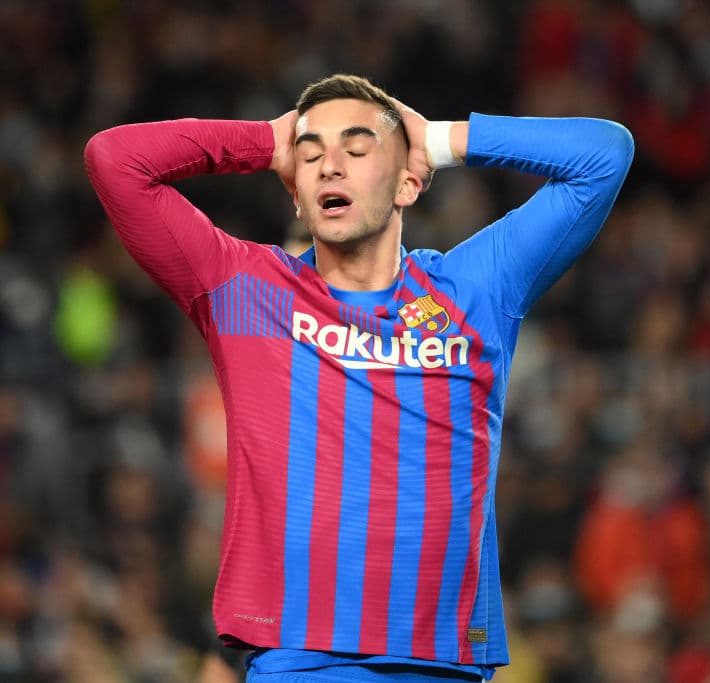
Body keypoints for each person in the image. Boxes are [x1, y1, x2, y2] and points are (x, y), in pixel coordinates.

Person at [84, 74, 633, 682]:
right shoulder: (247, 292)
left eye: (357, 146)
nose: (329, 165)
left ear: (408, 181)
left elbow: (603, 157)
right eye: (312, 151)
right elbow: (115, 160)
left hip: (445, 663)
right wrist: (266, 142)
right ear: (296, 190)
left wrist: (442, 139)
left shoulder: (474, 291)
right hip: (303, 662)